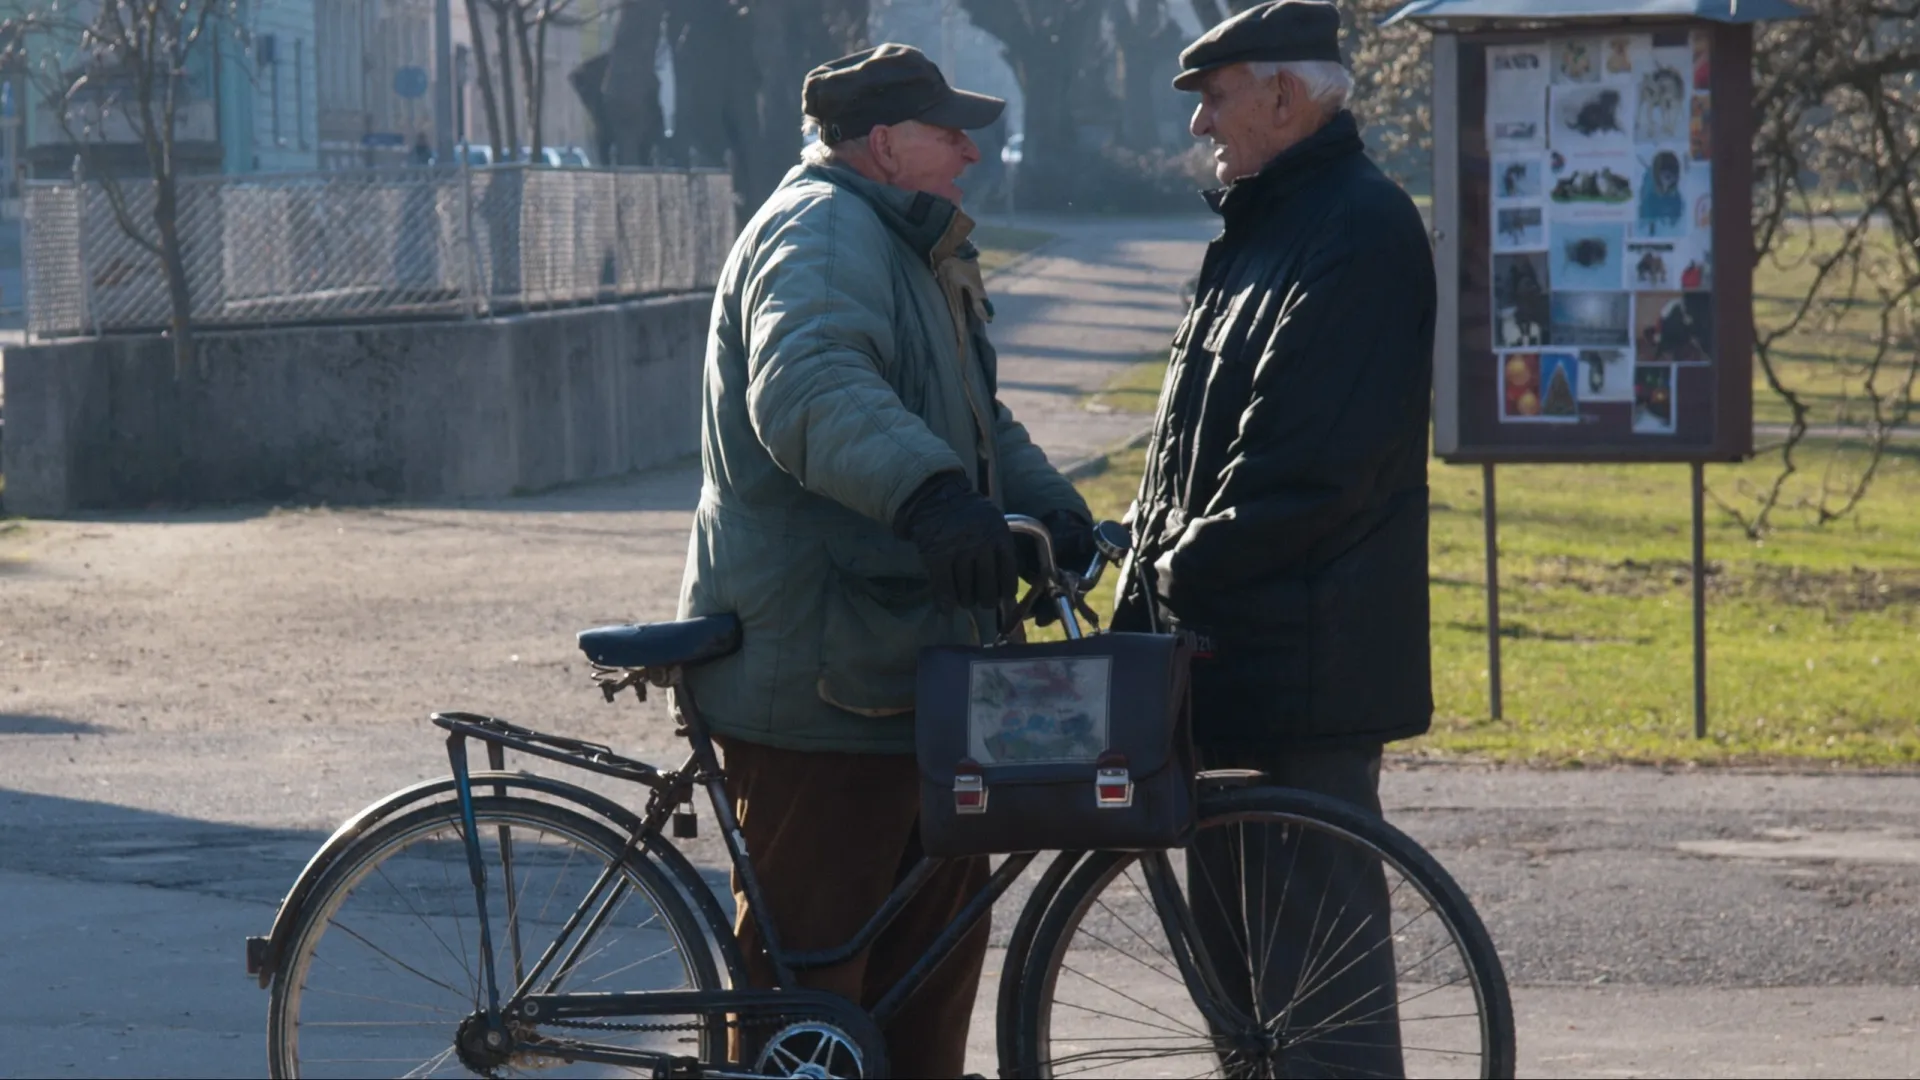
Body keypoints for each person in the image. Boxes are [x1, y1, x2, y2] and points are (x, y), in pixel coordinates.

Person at [675, 43, 1093, 1077]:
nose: (971, 150)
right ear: (882, 143)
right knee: (808, 991)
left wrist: (1049, 509)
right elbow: (809, 388)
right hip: (823, 681)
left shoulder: (908, 241)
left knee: (927, 974)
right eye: (949, 131)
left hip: (911, 672)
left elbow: (971, 415)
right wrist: (933, 499)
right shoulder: (821, 233)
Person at [1113, 1, 1437, 1073]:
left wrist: (1169, 566)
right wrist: (1136, 547)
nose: (1203, 124)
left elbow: (1306, 471)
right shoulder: (1270, 227)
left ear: (1286, 97)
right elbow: (1197, 449)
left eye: (1216, 96)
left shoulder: (1358, 229)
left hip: (1304, 676)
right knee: (1250, 1011)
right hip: (1238, 665)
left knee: (1318, 1012)